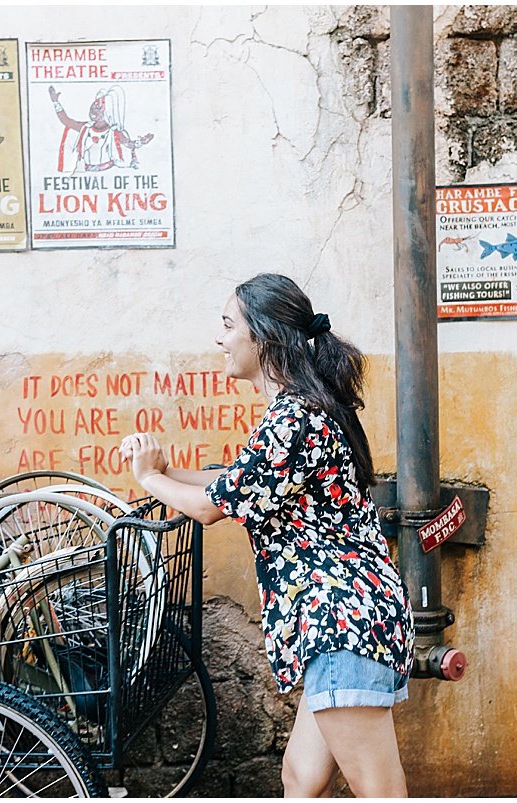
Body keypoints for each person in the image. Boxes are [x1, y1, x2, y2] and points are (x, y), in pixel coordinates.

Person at [120, 273, 414, 797]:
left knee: (380, 792)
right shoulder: (296, 410)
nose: (220, 338)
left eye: (229, 325)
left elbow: (213, 507)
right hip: (340, 621)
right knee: (299, 779)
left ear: (262, 337)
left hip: (341, 622)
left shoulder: (294, 416)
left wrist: (150, 479)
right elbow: (236, 481)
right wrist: (169, 470)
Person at [48, 84, 153, 172]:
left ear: (107, 112)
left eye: (97, 109)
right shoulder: (86, 128)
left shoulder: (113, 131)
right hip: (87, 171)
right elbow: (67, 121)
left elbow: (129, 144)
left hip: (107, 172)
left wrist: (142, 142)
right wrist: (56, 102)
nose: (93, 111)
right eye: (92, 108)